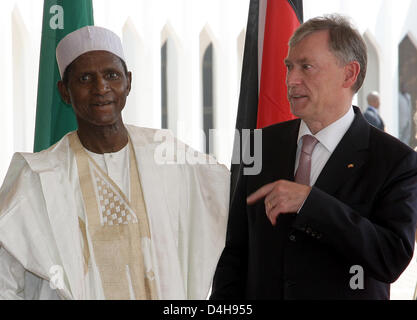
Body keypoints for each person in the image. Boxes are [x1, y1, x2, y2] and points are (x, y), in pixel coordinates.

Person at [0, 26, 229, 300]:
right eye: (85, 78)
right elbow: (6, 279)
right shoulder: (39, 176)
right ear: (64, 91)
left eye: (111, 75)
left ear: (128, 82)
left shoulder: (169, 156)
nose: (101, 88)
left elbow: (231, 196)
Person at [210, 15, 417, 300]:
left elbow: (390, 258)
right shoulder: (257, 144)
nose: (291, 80)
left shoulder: (396, 161)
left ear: (349, 74)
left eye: (306, 67)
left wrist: (312, 203)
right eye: (289, 67)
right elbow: (236, 253)